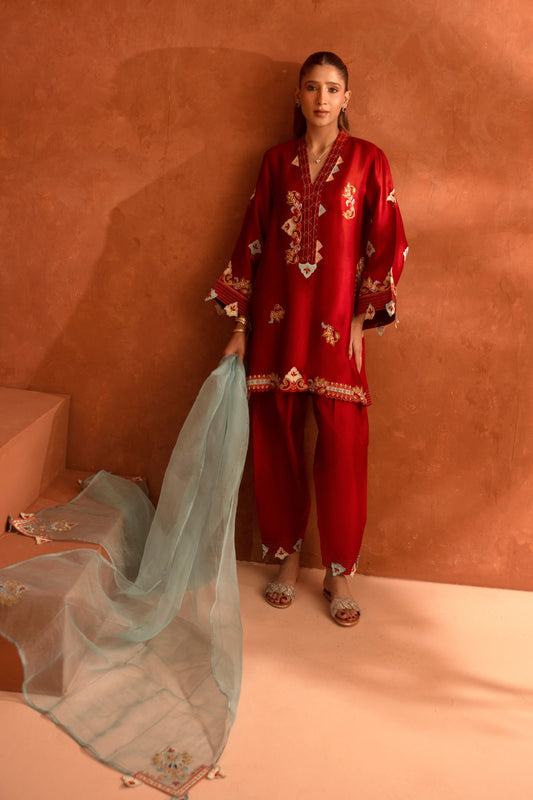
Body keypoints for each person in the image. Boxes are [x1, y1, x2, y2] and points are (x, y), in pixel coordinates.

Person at [207, 51, 407, 627]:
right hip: (276, 321)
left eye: (333, 88)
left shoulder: (369, 160)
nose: (322, 98)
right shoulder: (275, 162)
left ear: (347, 98)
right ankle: (287, 558)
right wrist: (240, 328)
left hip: (337, 327)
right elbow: (253, 240)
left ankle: (339, 570)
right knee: (277, 437)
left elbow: (387, 239)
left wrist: (362, 320)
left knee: (344, 444)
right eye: (312, 88)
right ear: (298, 95)